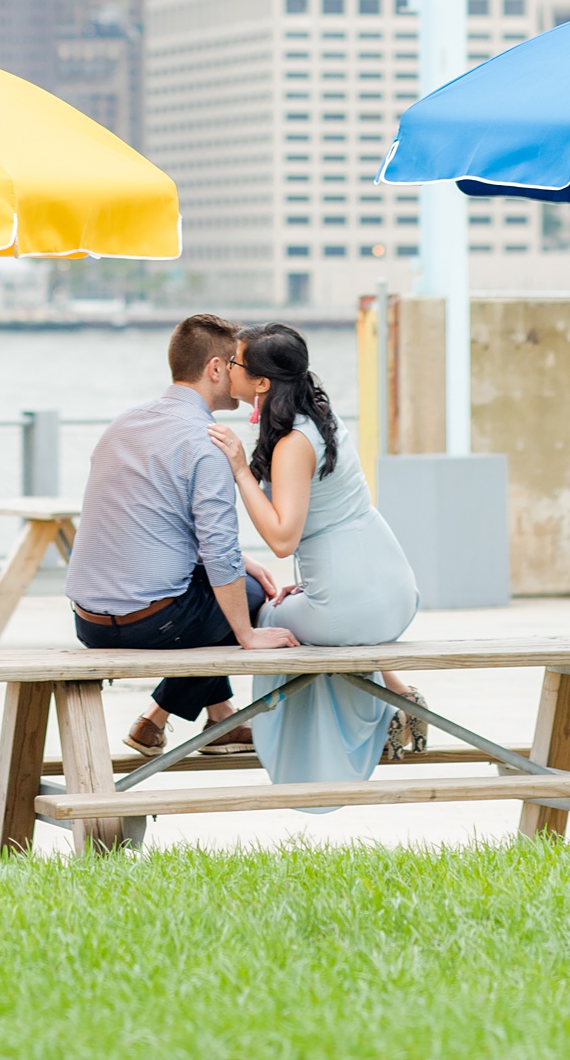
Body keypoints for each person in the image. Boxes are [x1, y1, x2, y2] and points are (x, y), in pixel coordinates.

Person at [63, 311, 300, 757]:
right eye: (237, 365)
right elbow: (220, 550)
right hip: (150, 625)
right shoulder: (206, 441)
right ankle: (167, 714)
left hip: (88, 623)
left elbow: (147, 524)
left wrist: (228, 563)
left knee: (213, 591)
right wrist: (248, 634)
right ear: (215, 369)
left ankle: (214, 718)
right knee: (250, 595)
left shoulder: (123, 424)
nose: (243, 376)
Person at [208, 323, 425, 785]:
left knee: (267, 619)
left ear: (261, 383)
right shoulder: (319, 419)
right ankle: (397, 694)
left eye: (236, 362)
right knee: (297, 610)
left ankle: (343, 733)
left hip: (348, 605)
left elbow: (284, 540)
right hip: (395, 590)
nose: (227, 367)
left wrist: (241, 472)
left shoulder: (292, 443)